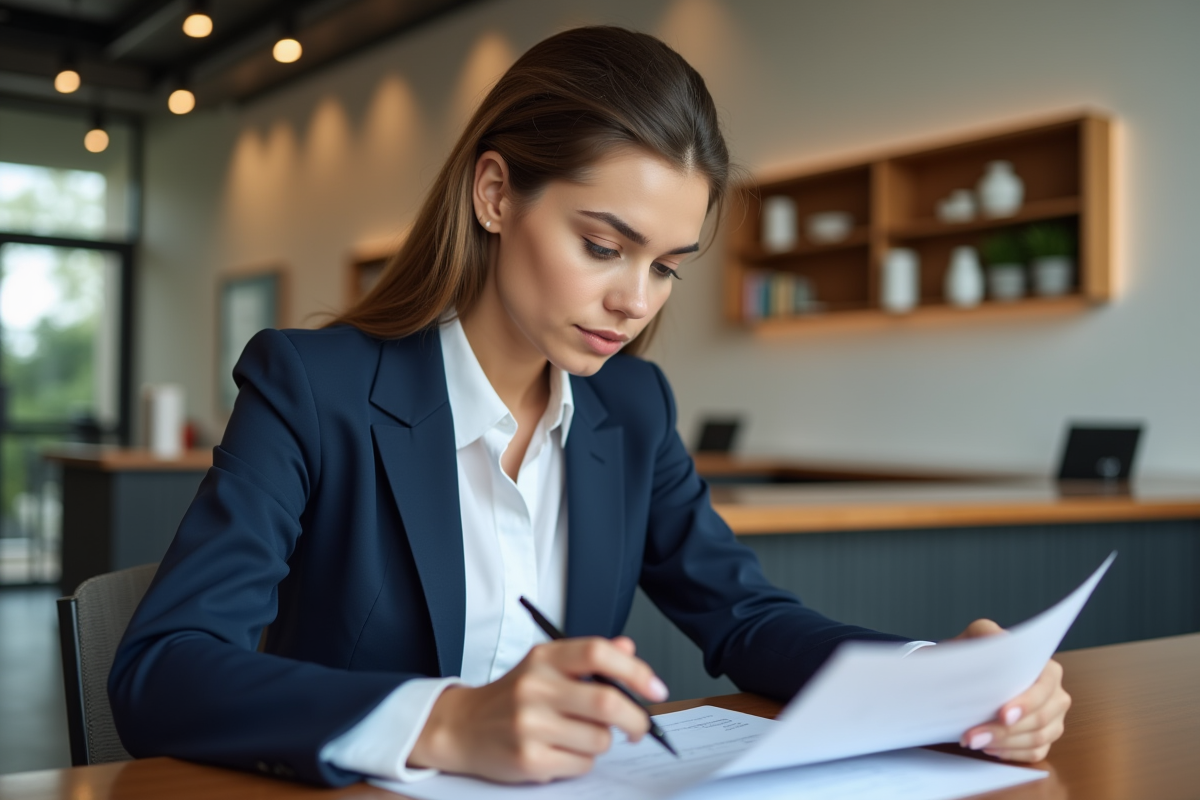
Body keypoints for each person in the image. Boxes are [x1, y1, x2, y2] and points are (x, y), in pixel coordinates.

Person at [109, 26, 1070, 787]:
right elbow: (163, 669)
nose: (636, 301)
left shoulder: (633, 408)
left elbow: (742, 616)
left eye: (664, 267)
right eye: (604, 247)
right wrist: (449, 721)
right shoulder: (311, 387)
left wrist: (936, 679)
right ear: (495, 193)